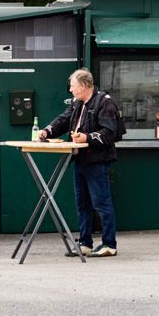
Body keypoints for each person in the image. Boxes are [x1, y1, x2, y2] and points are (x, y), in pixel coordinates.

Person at [38, 69, 119, 258]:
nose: (71, 90)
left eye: (73, 86)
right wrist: (47, 131)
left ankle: (109, 244)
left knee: (101, 203)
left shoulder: (104, 102)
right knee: (82, 203)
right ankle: (85, 243)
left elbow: (109, 132)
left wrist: (86, 138)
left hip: (97, 161)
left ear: (83, 86)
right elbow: (63, 120)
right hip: (80, 159)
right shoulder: (77, 103)